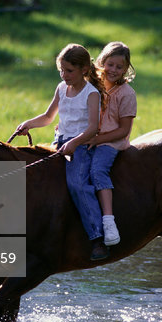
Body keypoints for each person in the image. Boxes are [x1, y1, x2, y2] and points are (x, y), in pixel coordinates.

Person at [15, 43, 109, 260]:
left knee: (77, 185)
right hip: (60, 143)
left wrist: (75, 143)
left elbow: (93, 128)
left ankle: (97, 238)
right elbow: (49, 117)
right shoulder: (61, 88)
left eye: (69, 71)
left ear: (84, 69)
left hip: (82, 146)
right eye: (61, 70)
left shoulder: (91, 93)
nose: (64, 75)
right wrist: (28, 123)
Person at [87, 41, 137, 249]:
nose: (113, 70)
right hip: (89, 136)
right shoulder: (93, 85)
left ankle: (108, 221)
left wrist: (98, 139)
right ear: (102, 62)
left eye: (119, 67)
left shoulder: (126, 94)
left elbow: (124, 130)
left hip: (111, 143)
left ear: (126, 69)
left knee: (98, 171)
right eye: (110, 64)